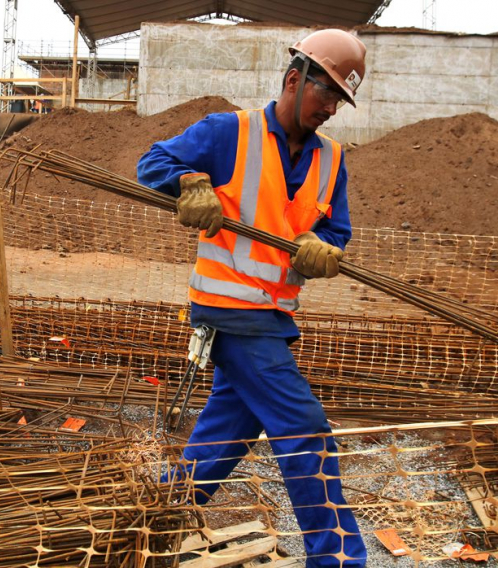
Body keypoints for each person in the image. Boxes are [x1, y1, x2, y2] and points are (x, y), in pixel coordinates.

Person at [137, 29, 368, 567]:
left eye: (339, 99)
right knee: (305, 427)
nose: (331, 108)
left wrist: (321, 248)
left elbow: (336, 233)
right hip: (230, 313)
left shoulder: (332, 161)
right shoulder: (227, 133)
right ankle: (340, 560)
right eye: (325, 93)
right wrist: (189, 183)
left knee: (228, 432)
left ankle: (155, 514)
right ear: (294, 78)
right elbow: (151, 164)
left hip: (273, 316)